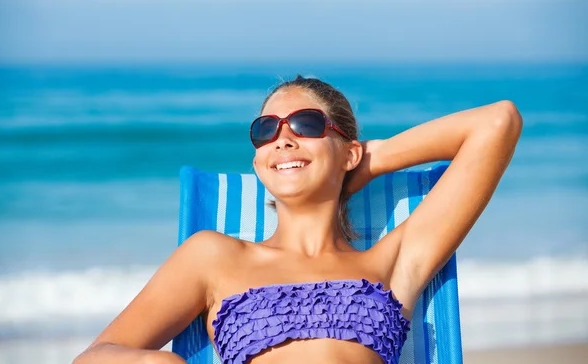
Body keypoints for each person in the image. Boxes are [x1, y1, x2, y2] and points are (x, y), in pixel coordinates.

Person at [73, 75, 522, 364]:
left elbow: (497, 123)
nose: (283, 138)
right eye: (266, 130)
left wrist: (370, 157)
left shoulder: (393, 264)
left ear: (349, 150)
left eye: (306, 124)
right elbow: (94, 358)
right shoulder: (214, 257)